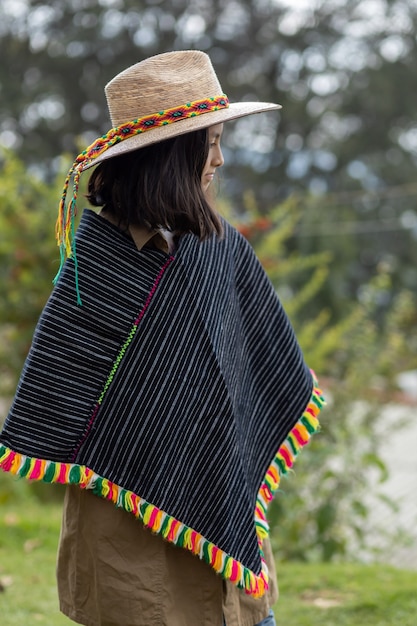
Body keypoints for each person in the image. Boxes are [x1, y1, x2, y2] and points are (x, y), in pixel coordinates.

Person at [0, 50, 324, 626]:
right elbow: (57, 396)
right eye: (211, 143)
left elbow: (256, 370)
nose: (220, 159)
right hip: (134, 539)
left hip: (226, 519)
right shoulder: (98, 261)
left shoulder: (220, 247)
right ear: (169, 155)